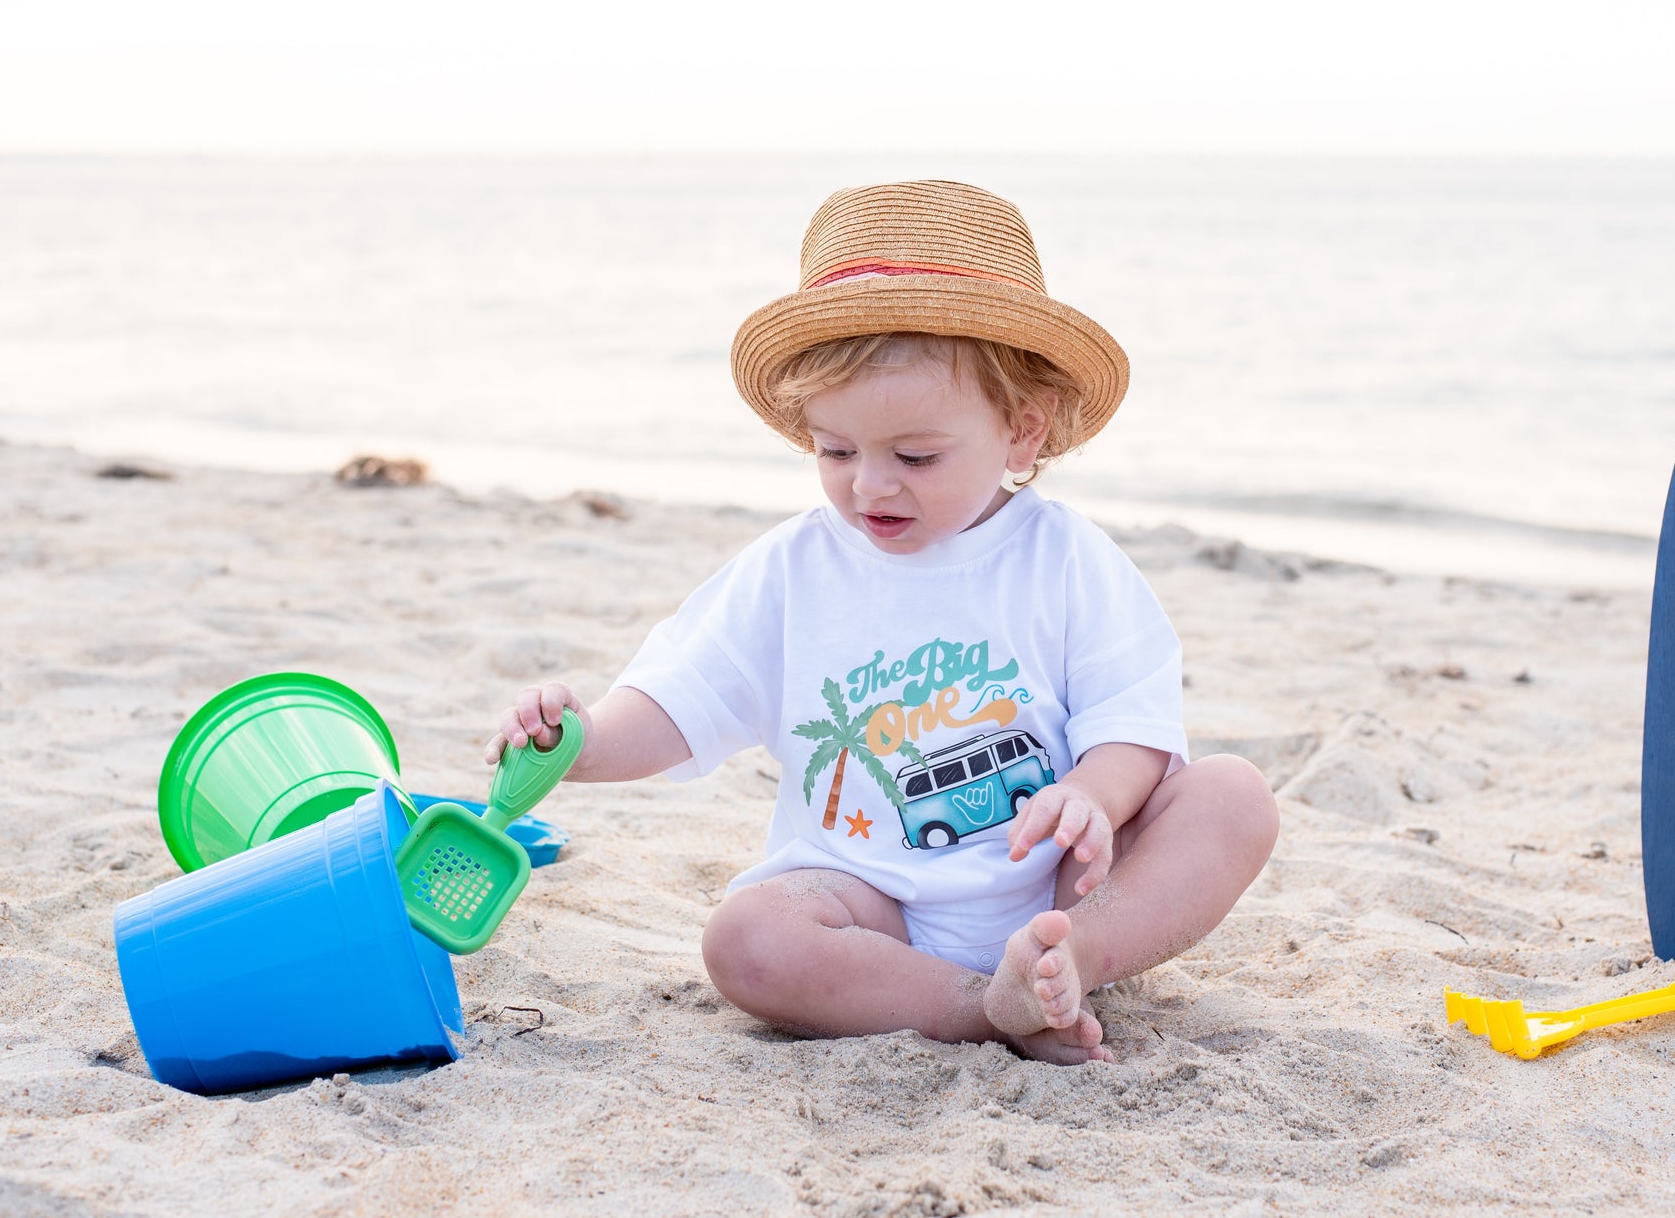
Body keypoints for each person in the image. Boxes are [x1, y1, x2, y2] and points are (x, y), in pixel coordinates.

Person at [487, 181, 1279, 1064]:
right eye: (834, 450)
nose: (868, 485)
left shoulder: (1065, 557)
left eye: (915, 456)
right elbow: (681, 699)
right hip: (874, 904)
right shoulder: (793, 569)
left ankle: (1071, 958)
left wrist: (1093, 796)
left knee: (1232, 796)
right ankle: (983, 1007)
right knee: (747, 937)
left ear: (1022, 433)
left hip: (1061, 880)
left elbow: (1132, 720)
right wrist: (578, 741)